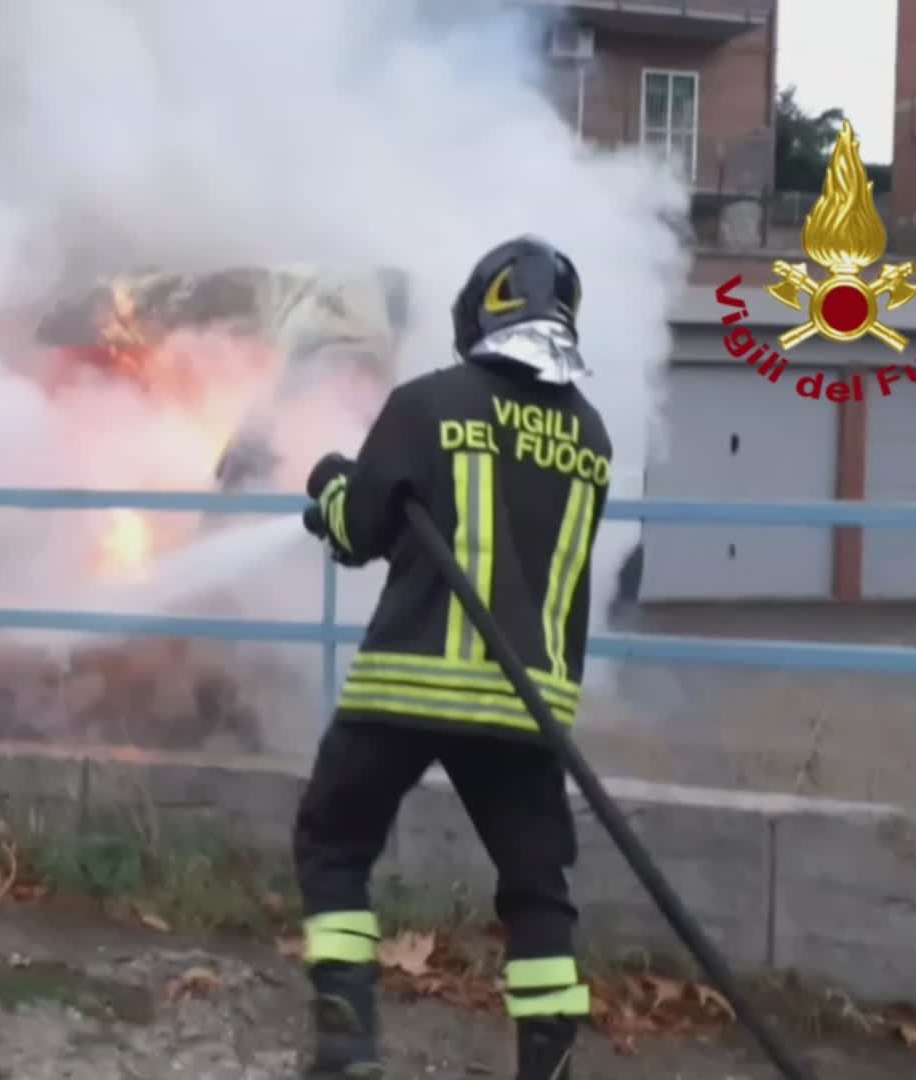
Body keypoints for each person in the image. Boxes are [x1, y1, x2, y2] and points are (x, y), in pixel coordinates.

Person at [294, 235, 613, 1080]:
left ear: (482, 311)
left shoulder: (428, 404)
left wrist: (330, 489)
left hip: (408, 681)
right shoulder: (592, 434)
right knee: (538, 893)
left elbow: (361, 531)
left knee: (334, 842)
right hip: (525, 702)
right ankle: (547, 1067)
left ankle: (349, 1043)